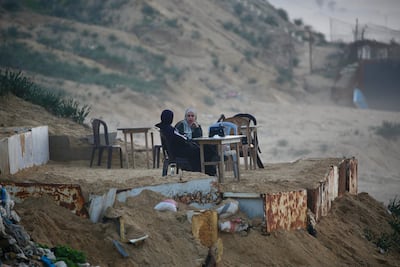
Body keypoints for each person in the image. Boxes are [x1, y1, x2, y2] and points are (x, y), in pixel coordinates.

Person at [155, 109, 216, 176]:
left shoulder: (165, 128)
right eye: (188, 116)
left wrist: (196, 129)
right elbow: (181, 138)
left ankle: (211, 166)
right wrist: (187, 139)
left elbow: (196, 137)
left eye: (192, 116)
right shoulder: (173, 128)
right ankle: (210, 171)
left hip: (178, 150)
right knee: (205, 149)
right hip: (180, 152)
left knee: (205, 148)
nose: (190, 118)